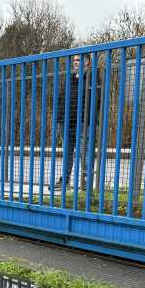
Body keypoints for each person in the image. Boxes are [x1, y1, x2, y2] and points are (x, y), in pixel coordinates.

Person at [54, 54, 91, 189]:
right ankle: (65, 180)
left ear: (87, 62)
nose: (75, 63)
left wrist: (88, 119)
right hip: (66, 122)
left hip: (82, 121)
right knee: (67, 152)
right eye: (74, 60)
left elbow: (95, 100)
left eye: (78, 60)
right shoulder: (70, 79)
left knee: (84, 152)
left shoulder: (91, 77)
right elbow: (62, 99)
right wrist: (59, 119)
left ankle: (86, 181)